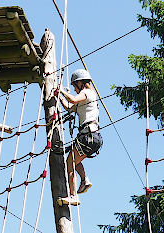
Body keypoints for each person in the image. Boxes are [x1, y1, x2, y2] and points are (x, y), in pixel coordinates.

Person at [57, 69, 103, 206]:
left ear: (80, 83)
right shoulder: (85, 99)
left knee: (69, 163)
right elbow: (68, 106)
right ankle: (84, 180)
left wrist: (61, 91)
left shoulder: (87, 93)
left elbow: (71, 98)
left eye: (74, 86)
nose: (74, 89)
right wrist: (59, 96)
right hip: (92, 137)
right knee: (74, 159)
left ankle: (73, 196)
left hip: (88, 136)